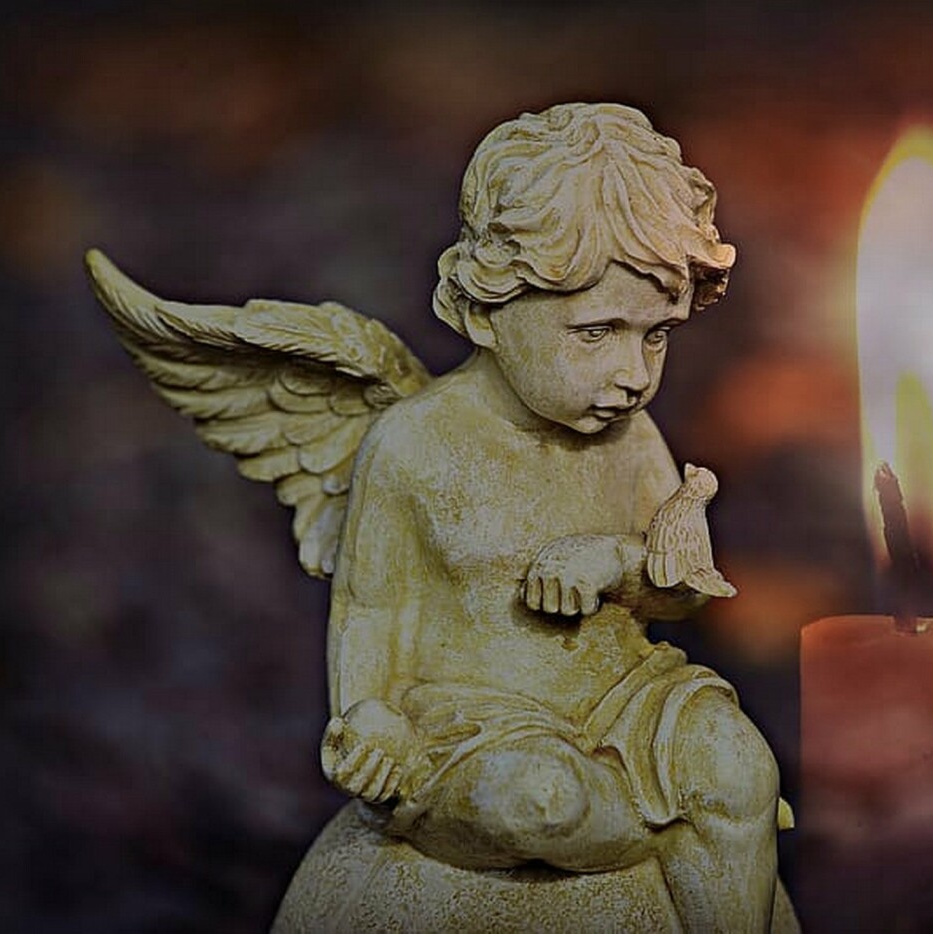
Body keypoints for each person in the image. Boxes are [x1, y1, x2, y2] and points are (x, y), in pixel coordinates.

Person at [316, 103, 786, 933]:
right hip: (472, 720)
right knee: (538, 802)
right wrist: (368, 714)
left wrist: (618, 563)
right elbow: (372, 606)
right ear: (485, 312)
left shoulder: (633, 438)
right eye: (597, 332)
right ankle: (639, 838)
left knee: (740, 767)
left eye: (656, 336)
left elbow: (685, 592)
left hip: (626, 700)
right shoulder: (416, 444)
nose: (633, 374)